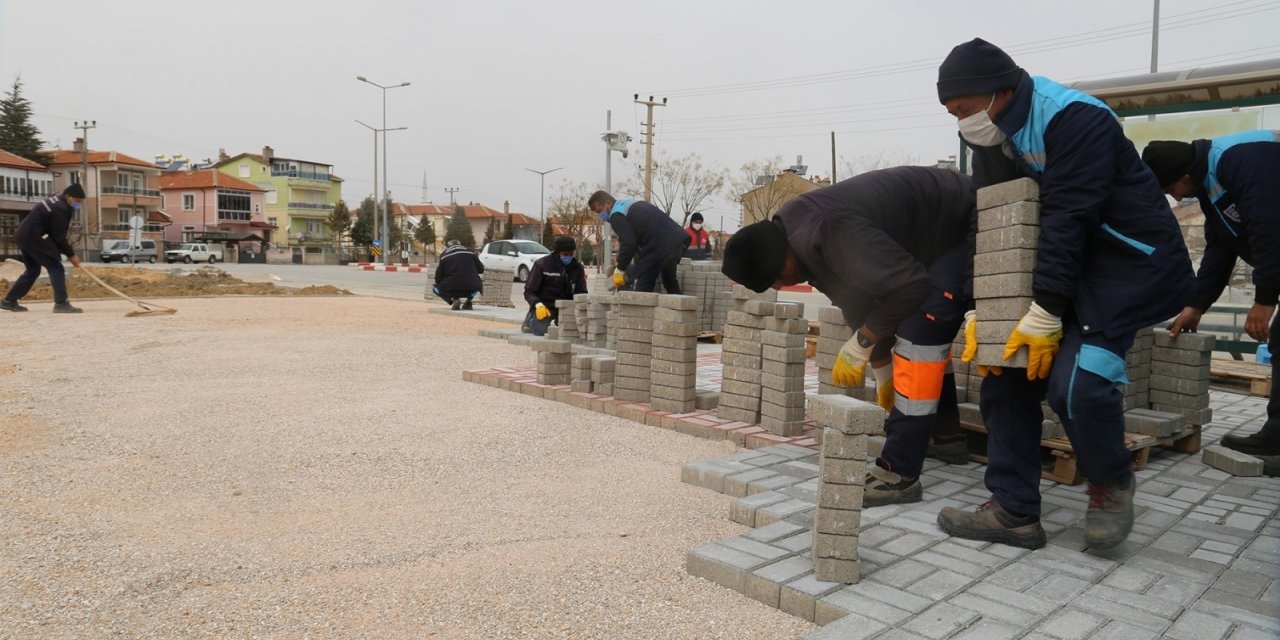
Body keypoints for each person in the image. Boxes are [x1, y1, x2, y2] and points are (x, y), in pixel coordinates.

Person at [933, 38, 1194, 550]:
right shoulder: (992, 136)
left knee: (1078, 385)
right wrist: (982, 306)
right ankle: (1014, 511)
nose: (961, 123)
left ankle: (1111, 484)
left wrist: (1047, 309)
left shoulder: (1075, 117)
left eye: (964, 110)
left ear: (999, 91)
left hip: (1125, 269)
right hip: (1066, 270)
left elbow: (1070, 216)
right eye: (951, 115)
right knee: (1004, 375)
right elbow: (996, 222)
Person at [723, 166, 977, 506]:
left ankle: (898, 472)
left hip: (966, 223)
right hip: (930, 236)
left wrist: (862, 343)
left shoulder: (826, 231)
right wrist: (883, 369)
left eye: (774, 279)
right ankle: (945, 438)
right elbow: (858, 303)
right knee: (912, 332)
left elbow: (911, 285)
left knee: (922, 329)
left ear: (779, 257)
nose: (779, 287)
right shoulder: (798, 241)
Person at [1142, 131, 1280, 457]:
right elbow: (1221, 249)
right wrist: (1196, 305)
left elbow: (1270, 226)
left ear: (1183, 176)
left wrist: (1264, 299)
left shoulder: (1241, 158)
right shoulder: (1210, 184)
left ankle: (1276, 440)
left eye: (1170, 189)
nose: (1175, 199)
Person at [2, 183, 86, 313]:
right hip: (34, 238)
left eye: (81, 202)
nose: (78, 204)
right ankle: (61, 303)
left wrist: (62, 252)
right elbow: (59, 236)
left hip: (24, 236)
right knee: (56, 267)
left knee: (32, 270)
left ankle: (9, 301)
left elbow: (54, 233)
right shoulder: (60, 208)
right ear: (68, 196)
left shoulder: (57, 201)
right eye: (77, 201)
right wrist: (71, 255)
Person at [587, 190, 689, 293]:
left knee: (643, 287)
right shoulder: (629, 204)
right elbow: (636, 242)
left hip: (658, 246)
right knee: (669, 280)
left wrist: (620, 269)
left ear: (608, 203)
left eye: (599, 211)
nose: (600, 216)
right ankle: (681, 306)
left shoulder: (615, 214)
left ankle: (639, 308)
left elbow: (629, 243)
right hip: (676, 240)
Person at [523, 235, 589, 336]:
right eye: (565, 254)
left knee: (571, 331)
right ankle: (530, 319)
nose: (568, 257)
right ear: (557, 253)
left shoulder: (577, 268)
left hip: (566, 307)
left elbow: (582, 292)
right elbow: (529, 291)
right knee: (541, 330)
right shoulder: (542, 265)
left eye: (571, 254)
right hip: (545, 306)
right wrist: (537, 304)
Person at [432, 240, 484, 310]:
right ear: (460, 244)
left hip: (453, 287)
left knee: (435, 289)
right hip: (472, 287)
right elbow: (481, 269)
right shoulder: (471, 252)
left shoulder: (444, 255)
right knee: (478, 282)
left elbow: (438, 276)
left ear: (449, 246)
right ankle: (469, 301)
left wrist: (440, 284)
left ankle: (454, 300)